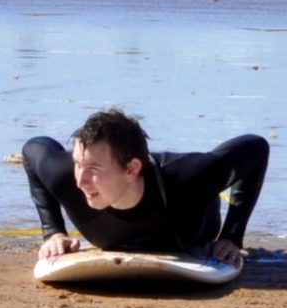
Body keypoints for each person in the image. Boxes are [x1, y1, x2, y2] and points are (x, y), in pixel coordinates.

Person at [24, 109, 267, 271]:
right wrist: (53, 232)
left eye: (94, 169)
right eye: (78, 163)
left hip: (194, 225)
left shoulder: (188, 179)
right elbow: (32, 148)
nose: (81, 181)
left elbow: (256, 147)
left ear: (132, 169)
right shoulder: (63, 177)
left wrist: (231, 237)